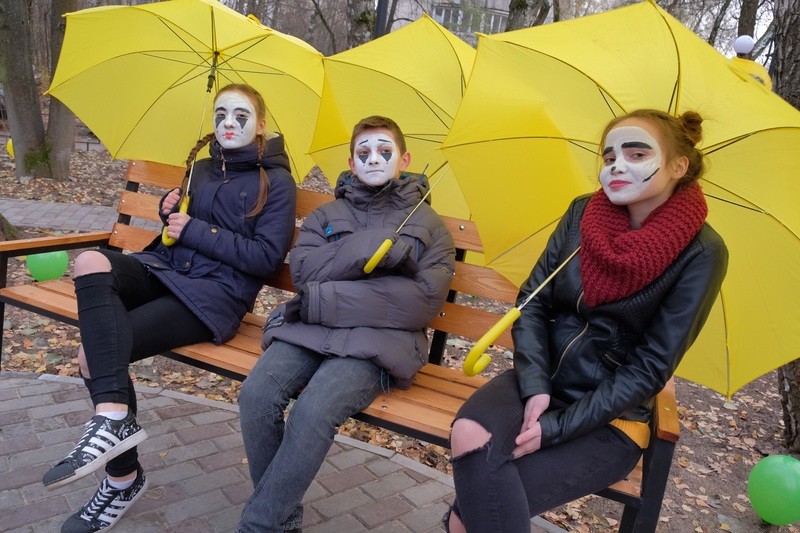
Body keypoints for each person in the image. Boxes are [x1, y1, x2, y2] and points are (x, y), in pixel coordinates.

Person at [445, 109, 729, 532]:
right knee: (468, 432)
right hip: (540, 385)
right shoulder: (583, 215)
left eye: (636, 153)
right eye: (609, 154)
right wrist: (537, 384)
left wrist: (557, 426)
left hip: (612, 419)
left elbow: (650, 368)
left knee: (470, 515)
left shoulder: (703, 253)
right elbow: (534, 303)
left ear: (677, 166)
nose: (617, 164)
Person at [43, 83, 298, 533]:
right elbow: (180, 232)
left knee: (92, 355)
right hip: (165, 269)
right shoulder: (200, 168)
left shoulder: (276, 181)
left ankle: (122, 478)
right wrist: (170, 216)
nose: (228, 123)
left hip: (213, 296)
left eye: (241, 116)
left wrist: (195, 229)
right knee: (90, 260)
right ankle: (114, 419)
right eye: (221, 114)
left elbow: (264, 259)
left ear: (261, 126)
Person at [236, 115, 456, 532]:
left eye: (385, 152)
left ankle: (260, 524)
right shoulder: (326, 215)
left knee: (314, 410)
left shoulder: (429, 226)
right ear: (352, 163)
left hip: (379, 343)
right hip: (310, 330)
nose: (375, 159)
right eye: (364, 152)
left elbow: (419, 303)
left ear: (404, 159)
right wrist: (366, 251)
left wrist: (327, 293)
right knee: (257, 395)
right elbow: (303, 272)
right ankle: (279, 518)